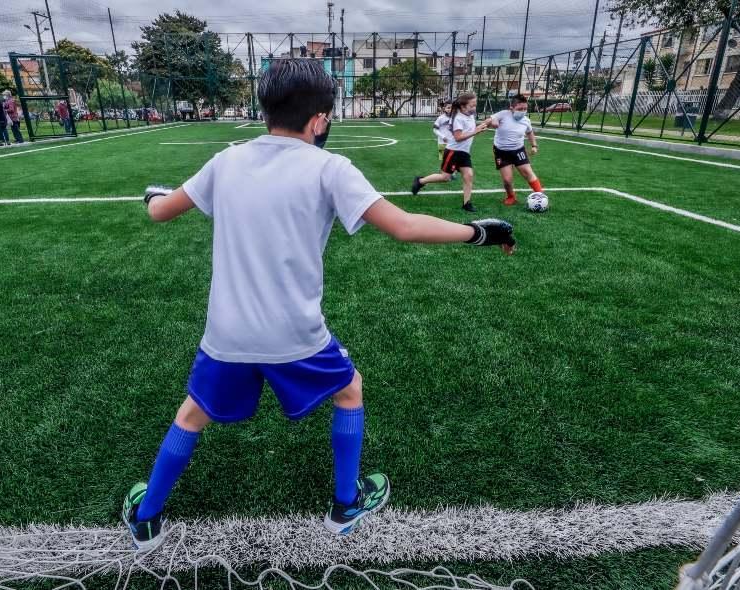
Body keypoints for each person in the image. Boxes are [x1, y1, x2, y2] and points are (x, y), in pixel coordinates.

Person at [121, 59, 516, 551]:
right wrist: (478, 232)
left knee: (192, 414)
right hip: (295, 333)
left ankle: (146, 517)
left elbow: (159, 211)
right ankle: (344, 505)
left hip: (227, 335)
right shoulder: (330, 168)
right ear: (319, 119)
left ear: (265, 110)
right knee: (349, 390)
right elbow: (405, 227)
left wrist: (152, 196)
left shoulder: (227, 161)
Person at [410, 92, 490, 212]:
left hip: (464, 153)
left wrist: (481, 126)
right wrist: (476, 131)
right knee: (445, 177)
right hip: (453, 151)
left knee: (468, 176)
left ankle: (466, 203)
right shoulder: (458, 118)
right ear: (463, 107)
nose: (474, 108)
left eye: (475, 105)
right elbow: (458, 137)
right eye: (472, 105)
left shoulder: (470, 116)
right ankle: (420, 181)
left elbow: (470, 130)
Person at [486, 95, 544, 206]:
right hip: (501, 151)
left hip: (518, 150)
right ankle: (511, 197)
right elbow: (491, 119)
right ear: (511, 108)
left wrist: (534, 146)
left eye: (525, 109)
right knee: (507, 180)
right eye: (519, 109)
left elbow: (529, 132)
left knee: (527, 172)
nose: (522, 111)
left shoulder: (526, 120)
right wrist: (493, 121)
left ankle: (541, 196)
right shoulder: (503, 114)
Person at [432, 100, 457, 180]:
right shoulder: (440, 118)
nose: (450, 109)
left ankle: (453, 173)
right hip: (442, 142)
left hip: (453, 143)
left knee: (453, 158)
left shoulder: (455, 118)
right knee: (443, 158)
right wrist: (443, 137)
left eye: (452, 108)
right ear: (444, 108)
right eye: (448, 108)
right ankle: (444, 173)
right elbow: (435, 130)